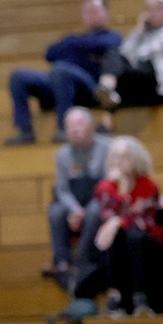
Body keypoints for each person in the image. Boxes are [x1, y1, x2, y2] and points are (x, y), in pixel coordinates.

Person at [91, 136, 163, 316]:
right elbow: (107, 216)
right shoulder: (106, 187)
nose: (119, 162)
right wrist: (122, 192)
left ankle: (140, 296)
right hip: (119, 242)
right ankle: (115, 296)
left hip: (147, 241)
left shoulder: (148, 185)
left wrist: (120, 220)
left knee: (134, 236)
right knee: (116, 237)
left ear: (136, 160)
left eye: (124, 157)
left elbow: (146, 220)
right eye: (115, 158)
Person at [5, 0, 119, 145]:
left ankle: (64, 128)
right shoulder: (75, 39)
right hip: (58, 81)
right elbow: (50, 53)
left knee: (61, 70)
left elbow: (107, 43)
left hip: (88, 85)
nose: (90, 15)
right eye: (87, 11)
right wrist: (82, 46)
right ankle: (24, 130)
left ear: (106, 13)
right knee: (19, 75)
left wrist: (72, 44)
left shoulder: (111, 37)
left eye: (95, 10)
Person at [96, 0, 163, 110]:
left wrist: (138, 50)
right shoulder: (143, 32)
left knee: (134, 61)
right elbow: (125, 53)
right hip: (146, 82)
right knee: (113, 52)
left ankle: (109, 91)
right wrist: (138, 31)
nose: (152, 13)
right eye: (149, 9)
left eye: (157, 9)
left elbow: (149, 51)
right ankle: (106, 87)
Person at [46, 108, 112, 285]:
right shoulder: (62, 154)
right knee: (55, 212)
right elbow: (62, 189)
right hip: (74, 200)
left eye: (78, 124)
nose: (73, 129)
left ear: (91, 125)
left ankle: (83, 259)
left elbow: (108, 185)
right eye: (69, 126)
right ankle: (62, 261)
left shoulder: (107, 147)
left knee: (94, 210)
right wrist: (75, 209)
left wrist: (83, 211)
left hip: (99, 198)